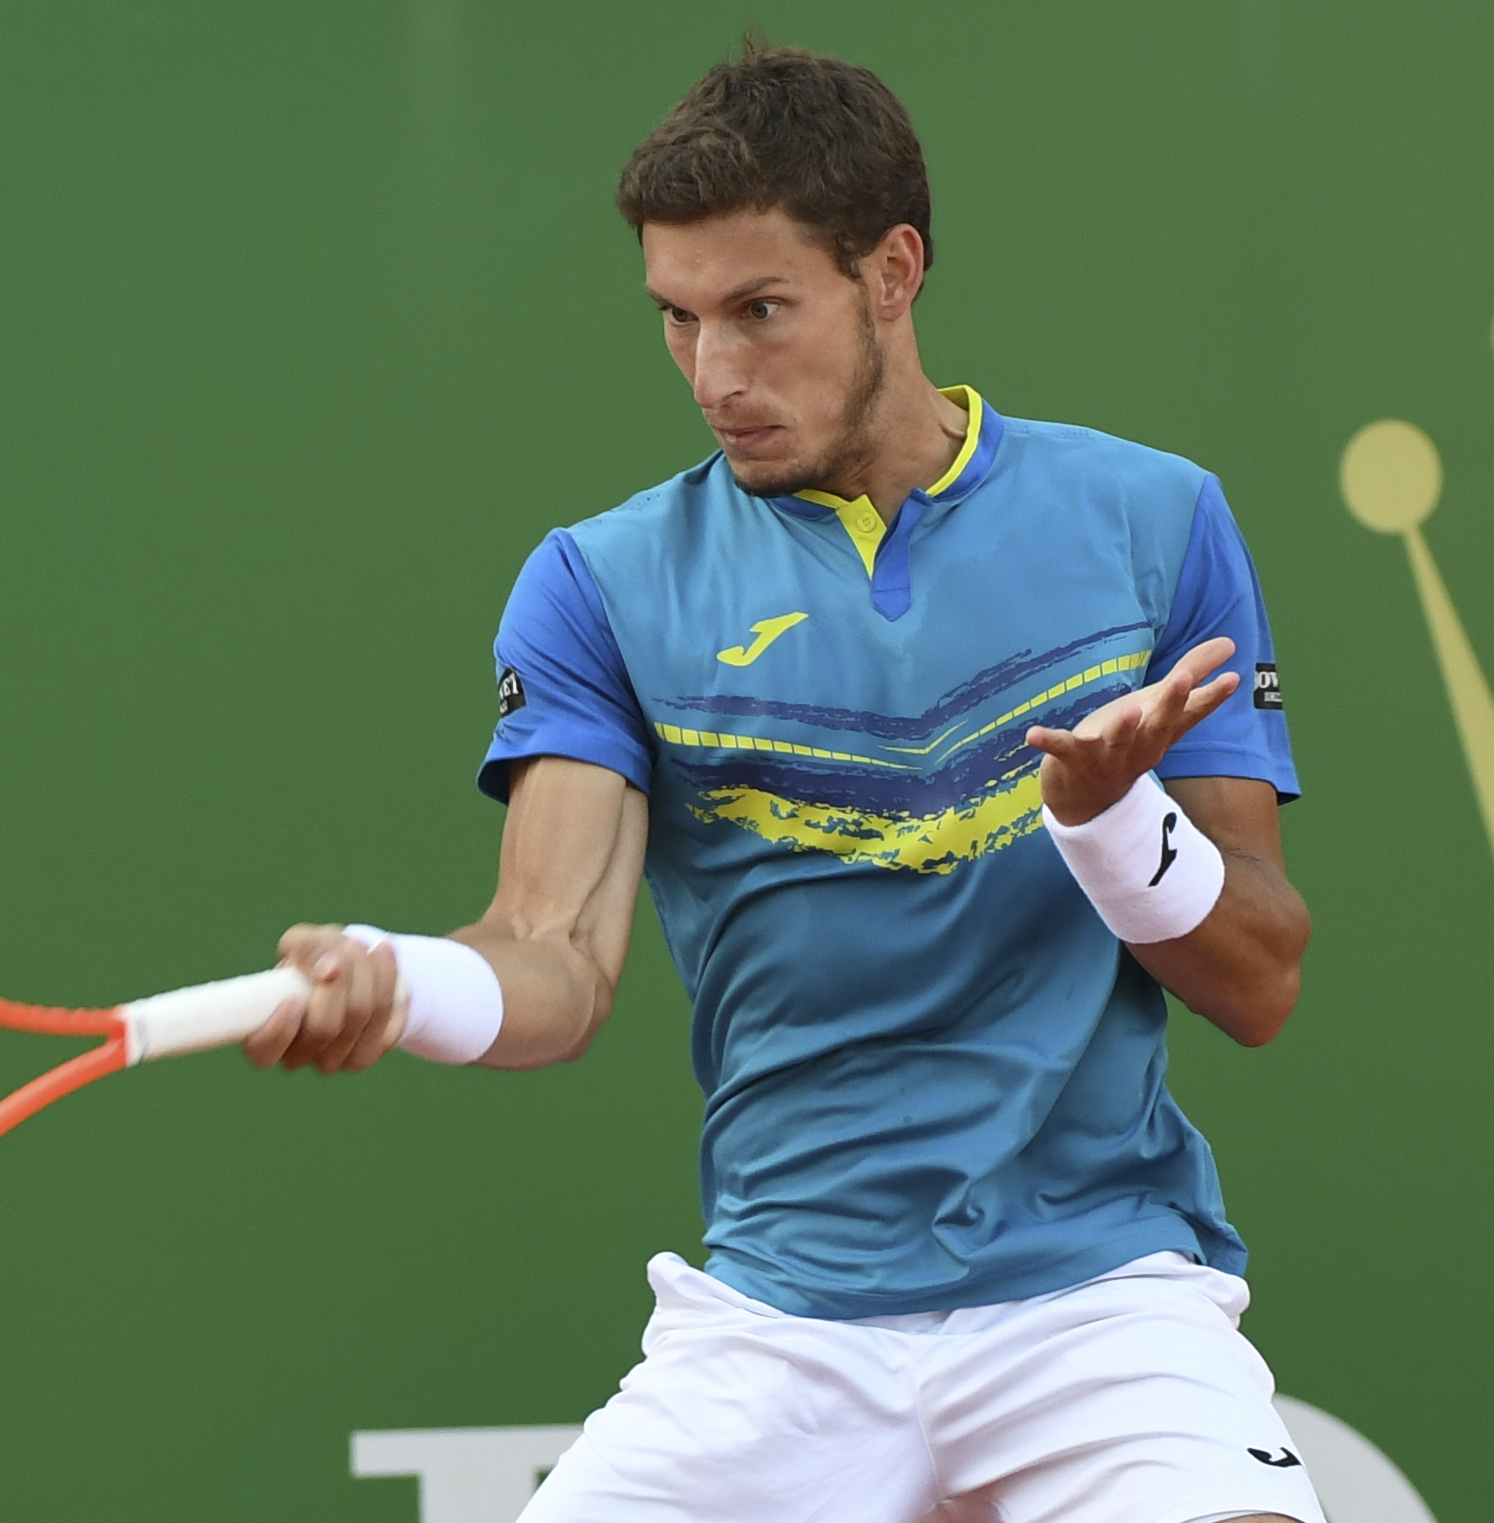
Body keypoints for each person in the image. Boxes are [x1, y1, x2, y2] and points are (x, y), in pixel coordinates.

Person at [245, 40, 1321, 1523]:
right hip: (779, 1325)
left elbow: (1261, 980)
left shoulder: (1152, 522)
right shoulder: (598, 587)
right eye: (677, 321)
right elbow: (552, 961)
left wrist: (1111, 823)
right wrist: (399, 980)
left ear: (893, 272)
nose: (716, 374)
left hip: (1098, 1297)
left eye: (760, 312)